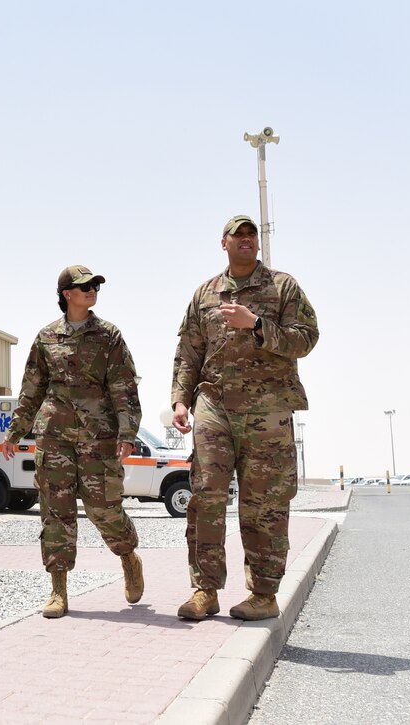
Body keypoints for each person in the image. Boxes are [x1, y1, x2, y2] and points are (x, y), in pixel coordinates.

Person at [171, 215, 319, 621]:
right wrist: (181, 400)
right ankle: (205, 590)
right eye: (238, 236)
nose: (246, 241)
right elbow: (188, 351)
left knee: (265, 503)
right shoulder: (205, 294)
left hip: (268, 411)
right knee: (206, 497)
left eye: (252, 235)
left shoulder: (283, 287)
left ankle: (263, 594)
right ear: (224, 244)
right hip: (214, 406)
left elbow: (306, 339)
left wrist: (256, 325)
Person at [1, 265, 145, 619]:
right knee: (56, 512)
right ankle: (58, 590)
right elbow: (31, 389)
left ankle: (128, 556)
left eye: (96, 285)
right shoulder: (46, 337)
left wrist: (128, 433)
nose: (93, 290)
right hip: (54, 437)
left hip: (99, 437)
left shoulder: (109, 336)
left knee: (104, 508)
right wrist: (15, 431)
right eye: (85, 286)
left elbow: (124, 387)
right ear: (67, 294)